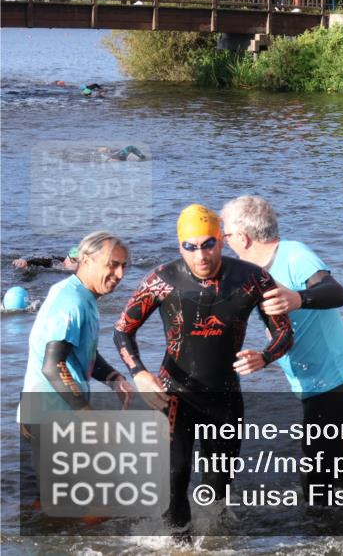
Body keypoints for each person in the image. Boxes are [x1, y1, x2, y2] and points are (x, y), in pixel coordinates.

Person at [112, 204, 293, 534]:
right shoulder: (161, 280)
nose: (201, 255)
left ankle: (215, 544)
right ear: (180, 246)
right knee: (175, 478)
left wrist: (265, 357)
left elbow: (284, 333)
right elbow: (122, 330)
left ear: (222, 240)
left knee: (218, 486)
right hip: (173, 397)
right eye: (190, 247)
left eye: (208, 244)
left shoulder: (253, 279)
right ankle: (177, 548)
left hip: (224, 399)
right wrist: (139, 373)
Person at [221, 195, 343, 493]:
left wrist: (299, 299)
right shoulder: (250, 272)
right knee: (334, 463)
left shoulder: (295, 255)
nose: (223, 240)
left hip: (336, 380)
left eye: (225, 234)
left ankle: (325, 533)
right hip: (313, 382)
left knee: (314, 470)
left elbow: (336, 292)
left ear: (243, 238)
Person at [19, 232, 134, 423]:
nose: (120, 274)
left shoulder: (79, 294)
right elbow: (53, 365)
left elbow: (82, 351)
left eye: (123, 266)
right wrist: (87, 415)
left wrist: (114, 379)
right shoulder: (72, 302)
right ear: (86, 260)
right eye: (112, 264)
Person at [12, 246, 80, 271]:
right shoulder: (54, 262)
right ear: (71, 259)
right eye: (79, 263)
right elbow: (36, 257)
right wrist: (24, 260)